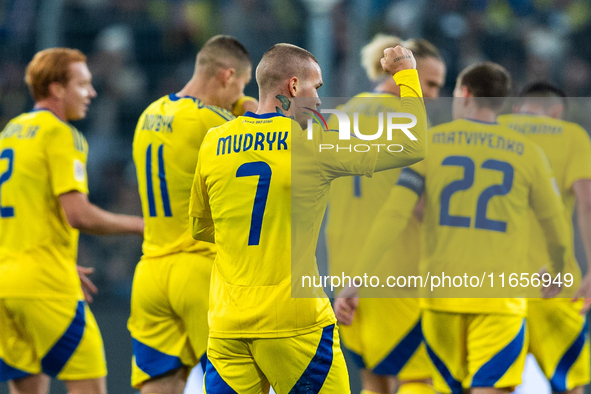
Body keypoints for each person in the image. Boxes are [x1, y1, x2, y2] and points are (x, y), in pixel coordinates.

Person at [189, 43, 427, 393]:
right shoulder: (314, 142)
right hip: (295, 324)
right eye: (317, 88)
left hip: (228, 324)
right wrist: (406, 73)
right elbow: (414, 145)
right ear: (294, 86)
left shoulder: (214, 141)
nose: (318, 101)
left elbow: (201, 226)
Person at [336, 62, 571, 393]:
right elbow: (554, 220)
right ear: (502, 103)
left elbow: (393, 214)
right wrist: (558, 266)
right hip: (499, 301)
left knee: (427, 384)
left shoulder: (431, 143)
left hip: (439, 300)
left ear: (464, 94)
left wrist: (356, 280)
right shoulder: (529, 153)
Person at [0, 48, 144, 394]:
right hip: (45, 285)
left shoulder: (11, 131)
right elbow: (78, 215)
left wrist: (56, 260)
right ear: (57, 89)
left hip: (6, 284)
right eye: (83, 84)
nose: (91, 93)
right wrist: (141, 225)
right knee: (90, 384)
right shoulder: (62, 134)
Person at [128, 35, 254, 394]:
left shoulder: (148, 114)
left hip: (151, 271)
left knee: (160, 384)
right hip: (199, 270)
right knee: (236, 381)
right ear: (227, 76)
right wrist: (246, 103)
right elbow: (269, 125)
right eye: (241, 86)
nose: (238, 96)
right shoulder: (213, 123)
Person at [326, 34, 445, 394]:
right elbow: (424, 206)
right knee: (418, 377)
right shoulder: (411, 122)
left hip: (344, 276)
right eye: (430, 83)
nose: (435, 95)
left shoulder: (338, 117)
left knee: (373, 380)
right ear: (402, 74)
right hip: (396, 273)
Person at [498, 82, 591, 394]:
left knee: (492, 385)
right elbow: (587, 204)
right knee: (569, 384)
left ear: (517, 109)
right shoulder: (571, 135)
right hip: (554, 284)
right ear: (557, 112)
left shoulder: (494, 128)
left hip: (494, 285)